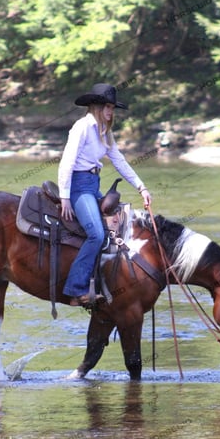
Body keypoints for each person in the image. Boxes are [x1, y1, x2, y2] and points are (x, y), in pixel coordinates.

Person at [57, 83, 153, 308]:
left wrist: (142, 187)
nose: (111, 112)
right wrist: (64, 196)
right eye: (107, 107)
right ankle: (75, 289)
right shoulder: (81, 127)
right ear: (96, 106)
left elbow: (119, 160)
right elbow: (67, 162)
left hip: (93, 183)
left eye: (112, 108)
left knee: (121, 226)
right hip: (79, 186)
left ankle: (105, 283)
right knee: (96, 234)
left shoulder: (104, 132)